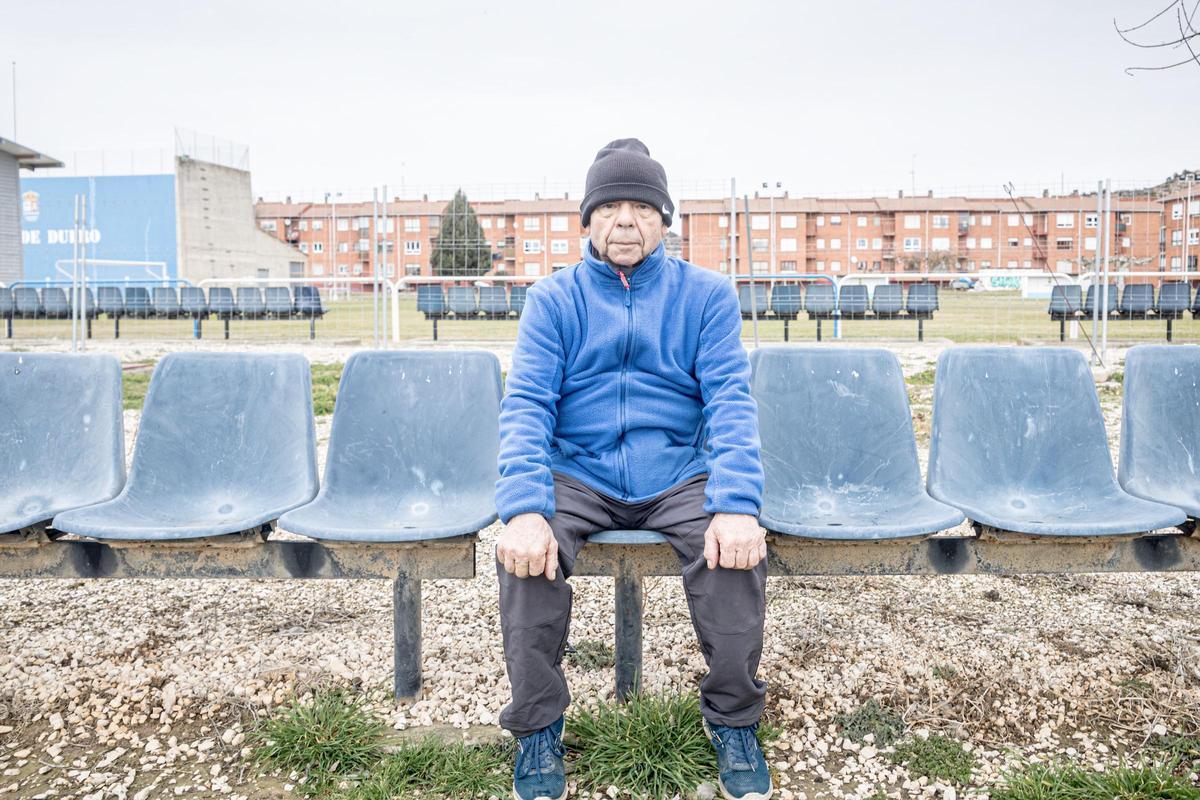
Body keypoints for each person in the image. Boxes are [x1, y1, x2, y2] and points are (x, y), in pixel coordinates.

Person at [494, 138, 771, 800]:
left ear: (664, 220)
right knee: (527, 556)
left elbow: (730, 398)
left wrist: (737, 502)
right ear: (586, 221)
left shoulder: (704, 296)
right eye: (609, 206)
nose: (625, 221)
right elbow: (527, 404)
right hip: (578, 474)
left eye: (642, 207)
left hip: (676, 472)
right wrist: (524, 507)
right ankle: (537, 730)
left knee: (734, 553)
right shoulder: (553, 300)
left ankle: (733, 720)